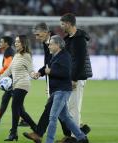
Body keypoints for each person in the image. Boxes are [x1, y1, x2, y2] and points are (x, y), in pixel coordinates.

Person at [23, 22, 71, 143]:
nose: (36, 37)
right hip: (54, 81)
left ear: (46, 32)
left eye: (38, 35)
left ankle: (39, 133)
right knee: (60, 111)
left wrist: (73, 78)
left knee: (50, 108)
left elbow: (64, 61)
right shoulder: (47, 43)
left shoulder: (55, 41)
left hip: (60, 82)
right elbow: (49, 64)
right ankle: (74, 134)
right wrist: (40, 72)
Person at [45, 35, 89, 143]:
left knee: (52, 117)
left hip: (62, 90)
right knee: (66, 117)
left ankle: (49, 141)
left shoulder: (65, 57)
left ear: (58, 45)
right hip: (57, 90)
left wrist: (50, 72)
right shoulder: (56, 56)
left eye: (50, 44)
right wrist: (39, 72)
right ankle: (82, 137)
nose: (49, 46)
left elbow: (65, 73)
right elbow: (48, 68)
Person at [58, 13, 93, 142]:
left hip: (76, 78)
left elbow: (79, 61)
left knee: (73, 107)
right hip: (70, 77)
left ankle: (75, 137)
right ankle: (79, 131)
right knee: (68, 107)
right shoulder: (70, 39)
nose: (60, 26)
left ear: (68, 23)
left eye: (62, 24)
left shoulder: (79, 39)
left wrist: (74, 79)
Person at [0, 35, 37, 141]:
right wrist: (1, 78)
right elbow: (9, 70)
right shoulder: (16, 55)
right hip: (15, 85)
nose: (16, 43)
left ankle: (13, 132)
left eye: (18, 42)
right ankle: (36, 128)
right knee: (20, 111)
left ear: (24, 43)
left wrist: (34, 74)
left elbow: (31, 70)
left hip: (23, 84)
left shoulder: (27, 56)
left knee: (14, 107)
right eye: (15, 42)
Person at [0, 36, 28, 127]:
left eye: (1, 42)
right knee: (9, 100)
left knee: (16, 102)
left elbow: (8, 66)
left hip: (12, 81)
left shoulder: (8, 52)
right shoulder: (10, 51)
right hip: (13, 80)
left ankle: (24, 120)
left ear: (6, 43)